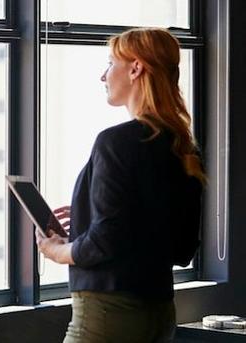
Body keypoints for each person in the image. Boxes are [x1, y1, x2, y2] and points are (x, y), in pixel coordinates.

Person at [36, 28, 205, 343]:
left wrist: (58, 251)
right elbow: (181, 247)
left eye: (110, 63)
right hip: (159, 314)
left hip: (106, 317)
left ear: (136, 68)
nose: (103, 76)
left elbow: (106, 241)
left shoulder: (116, 141)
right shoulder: (183, 147)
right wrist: (92, 214)